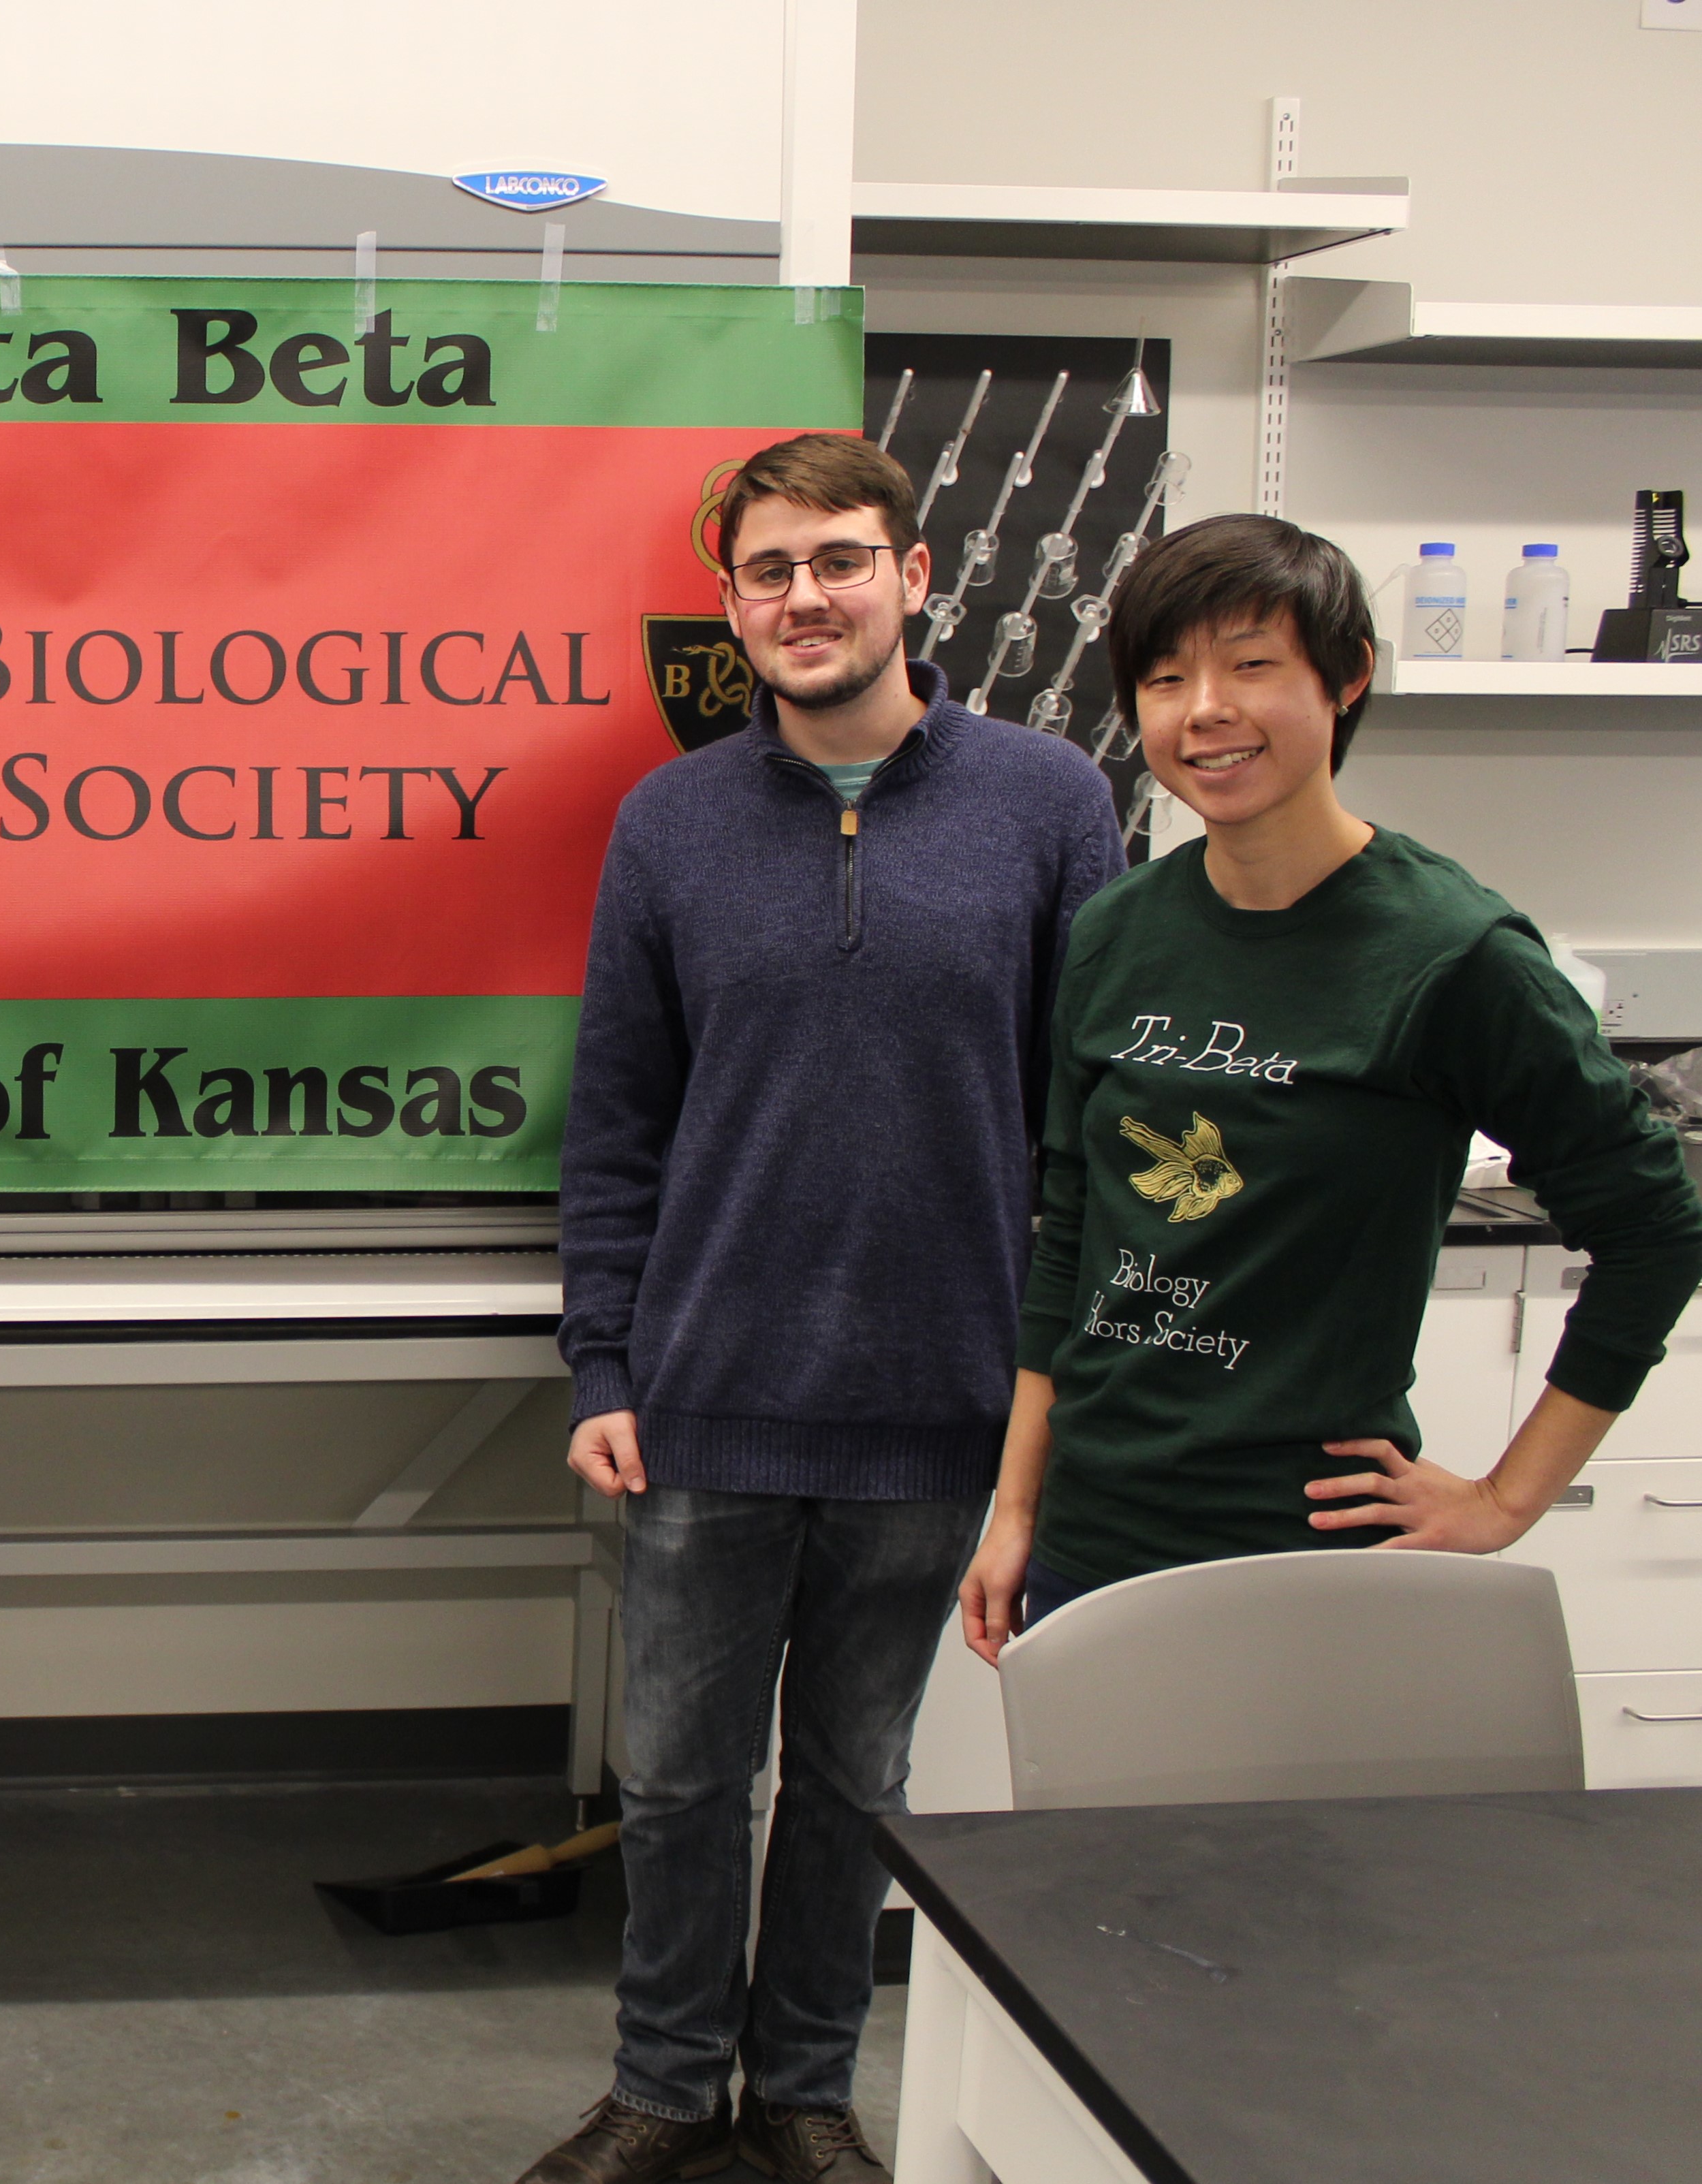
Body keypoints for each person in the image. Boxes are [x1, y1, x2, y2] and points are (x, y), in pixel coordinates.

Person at [523, 434, 1124, 2184]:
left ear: (915, 579)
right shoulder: (671, 822)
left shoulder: (1048, 804)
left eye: (842, 560)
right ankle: (659, 2081)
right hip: (707, 1395)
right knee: (683, 1779)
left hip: (939, 1400)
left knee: (858, 1779)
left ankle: (801, 2089)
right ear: (731, 608)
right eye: (771, 571)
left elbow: (1079, 1124)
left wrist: (1041, 1389)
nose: (808, 597)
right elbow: (618, 1120)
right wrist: (602, 1357)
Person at [959, 513, 1702, 1650]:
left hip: (1304, 1551)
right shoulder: (1116, 932)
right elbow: (1069, 1238)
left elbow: (1657, 1227)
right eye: (1165, 677)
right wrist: (1018, 1508)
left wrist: (1507, 1501)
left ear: (1348, 678)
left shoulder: (1454, 956)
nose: (1205, 708)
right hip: (1092, 1544)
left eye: (1252, 665)